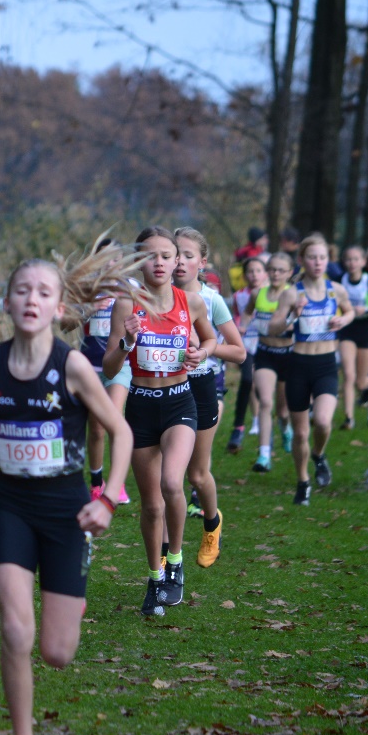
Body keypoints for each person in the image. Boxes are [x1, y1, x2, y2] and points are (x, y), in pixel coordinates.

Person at [0, 256, 134, 735]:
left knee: (56, 651)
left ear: (59, 307)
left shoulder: (72, 366)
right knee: (14, 630)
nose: (31, 299)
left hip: (66, 512)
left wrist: (109, 499)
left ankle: (74, 572)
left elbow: (120, 432)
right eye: (21, 290)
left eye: (43, 292)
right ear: (6, 303)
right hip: (12, 507)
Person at [102, 226, 217, 617]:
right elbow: (109, 366)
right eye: (150, 256)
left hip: (178, 402)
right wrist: (126, 344)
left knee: (173, 482)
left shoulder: (192, 302)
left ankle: (177, 562)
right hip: (141, 404)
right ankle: (155, 578)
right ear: (139, 262)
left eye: (167, 255)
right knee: (151, 506)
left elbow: (212, 339)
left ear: (177, 261)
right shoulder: (125, 305)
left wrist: (201, 354)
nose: (160, 263)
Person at [266, 234, 356, 505]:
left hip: (326, 365)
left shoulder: (336, 290)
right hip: (298, 366)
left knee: (324, 422)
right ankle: (303, 481)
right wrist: (293, 314)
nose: (318, 262)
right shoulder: (292, 293)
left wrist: (343, 319)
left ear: (328, 260)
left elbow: (351, 311)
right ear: (302, 260)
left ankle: (318, 454)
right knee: (301, 432)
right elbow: (272, 328)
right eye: (312, 257)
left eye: (322, 257)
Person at [174, 227, 245, 567]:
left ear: (201, 263)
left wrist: (206, 350)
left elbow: (239, 352)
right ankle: (166, 555)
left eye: (188, 255)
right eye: (175, 254)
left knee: (196, 475)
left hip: (201, 386)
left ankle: (212, 523)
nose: (179, 261)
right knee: (164, 476)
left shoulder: (211, 300)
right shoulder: (157, 296)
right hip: (162, 388)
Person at [80, 240, 133, 505]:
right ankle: (96, 483)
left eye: (114, 258)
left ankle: (117, 483)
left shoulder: (131, 289)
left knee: (115, 419)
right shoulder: (86, 287)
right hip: (90, 366)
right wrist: (87, 310)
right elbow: (65, 323)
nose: (110, 263)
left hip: (119, 365)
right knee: (97, 428)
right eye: (104, 258)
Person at [249, 252, 296, 472]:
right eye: (272, 269)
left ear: (290, 273)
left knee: (284, 410)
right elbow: (247, 313)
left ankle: (286, 429)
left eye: (280, 270)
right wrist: (245, 326)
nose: (275, 274)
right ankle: (264, 455)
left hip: (288, 354)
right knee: (266, 402)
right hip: (265, 352)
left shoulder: (294, 295)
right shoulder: (258, 293)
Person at [227, 256, 269, 453]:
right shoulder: (239, 296)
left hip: (268, 343)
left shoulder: (273, 294)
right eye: (250, 271)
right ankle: (240, 426)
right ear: (244, 276)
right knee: (247, 379)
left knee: (262, 385)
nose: (254, 275)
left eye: (258, 271)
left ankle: (279, 424)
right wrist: (238, 329)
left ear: (265, 273)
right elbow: (236, 316)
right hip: (247, 344)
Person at [336, 246, 368, 429]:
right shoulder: (340, 281)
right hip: (347, 330)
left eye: (355, 259)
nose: (352, 263)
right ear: (344, 262)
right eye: (348, 259)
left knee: (360, 381)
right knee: (349, 375)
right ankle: (348, 418)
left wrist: (367, 310)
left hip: (365, 330)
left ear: (363, 262)